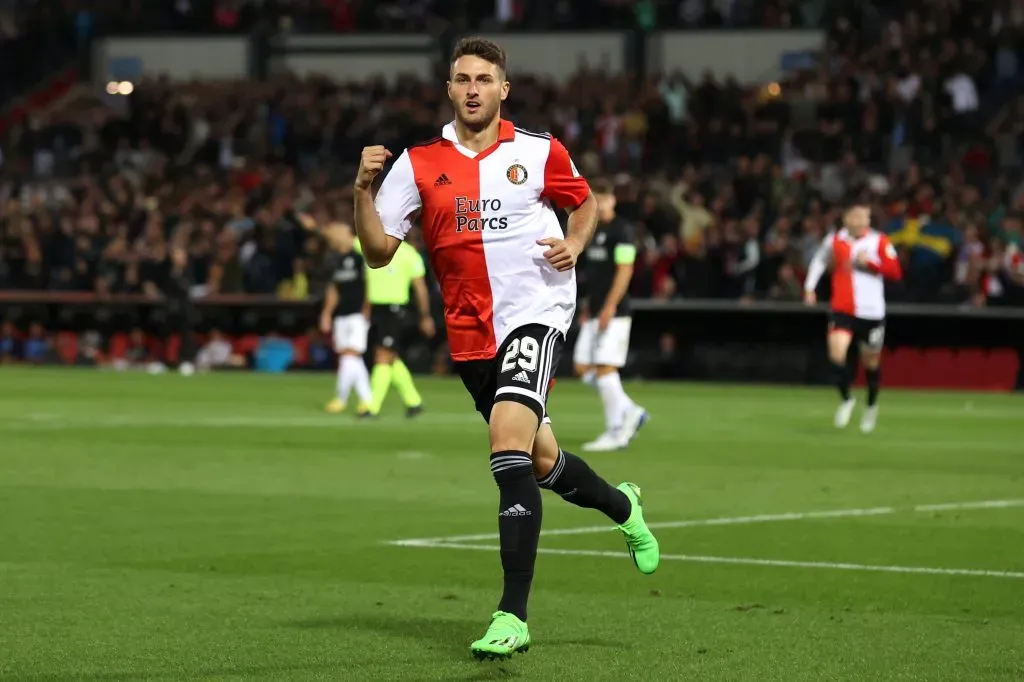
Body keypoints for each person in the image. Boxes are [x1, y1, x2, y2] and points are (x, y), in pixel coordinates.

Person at [352, 37, 660, 661]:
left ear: (502, 89)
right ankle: (622, 504)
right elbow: (379, 251)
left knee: (506, 451)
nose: (472, 88)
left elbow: (584, 204)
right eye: (462, 77)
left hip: (537, 314)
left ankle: (511, 614)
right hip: (470, 334)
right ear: (449, 88)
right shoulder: (416, 164)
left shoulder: (539, 151)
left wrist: (574, 244)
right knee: (542, 461)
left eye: (484, 78)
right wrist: (361, 190)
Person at [803, 203, 903, 433]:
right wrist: (810, 288)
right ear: (846, 219)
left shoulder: (879, 241)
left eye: (865, 217)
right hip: (843, 309)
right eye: (857, 217)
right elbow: (819, 261)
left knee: (871, 363)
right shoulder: (835, 240)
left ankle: (871, 405)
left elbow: (895, 271)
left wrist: (870, 263)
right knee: (836, 355)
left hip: (871, 312)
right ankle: (847, 399)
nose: (862, 222)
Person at [572, 178, 648, 451]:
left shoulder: (624, 231)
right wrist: (586, 307)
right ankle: (630, 410)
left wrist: (610, 306)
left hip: (613, 312)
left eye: (604, 198)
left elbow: (625, 270)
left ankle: (617, 430)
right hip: (593, 310)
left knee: (605, 368)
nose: (600, 204)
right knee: (582, 366)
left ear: (613, 200)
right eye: (596, 198)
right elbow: (592, 275)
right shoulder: (590, 230)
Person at [319, 222, 373, 416]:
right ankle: (367, 401)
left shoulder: (360, 257)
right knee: (350, 358)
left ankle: (340, 399)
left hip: (357, 313)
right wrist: (326, 313)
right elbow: (333, 289)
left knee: (350, 355)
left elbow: (371, 283)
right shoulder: (335, 260)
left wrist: (367, 307)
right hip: (341, 314)